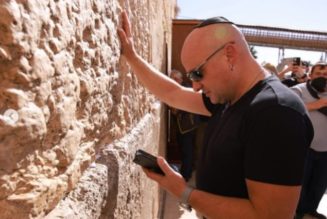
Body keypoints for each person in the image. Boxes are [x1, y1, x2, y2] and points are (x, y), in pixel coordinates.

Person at [117, 11, 313, 218]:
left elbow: (269, 216)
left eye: (197, 73)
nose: (194, 86)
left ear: (229, 54)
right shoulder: (228, 96)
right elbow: (172, 93)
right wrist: (132, 56)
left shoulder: (277, 112)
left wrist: (184, 192)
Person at [291, 62, 327, 219]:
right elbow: (288, 108)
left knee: (319, 185)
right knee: (300, 185)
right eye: (319, 73)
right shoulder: (299, 90)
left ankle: (311, 210)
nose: (323, 77)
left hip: (325, 150)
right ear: (311, 75)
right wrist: (315, 105)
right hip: (303, 148)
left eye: (326, 75)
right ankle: (296, 213)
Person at [169, 69, 199, 181]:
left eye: (175, 78)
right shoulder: (180, 88)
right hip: (183, 126)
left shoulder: (185, 88)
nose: (173, 80)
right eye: (172, 78)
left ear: (180, 79)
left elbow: (180, 108)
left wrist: (176, 110)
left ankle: (186, 175)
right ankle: (187, 170)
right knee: (184, 149)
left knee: (187, 150)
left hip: (188, 125)